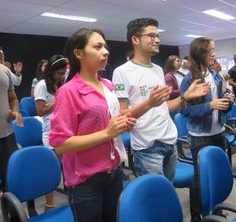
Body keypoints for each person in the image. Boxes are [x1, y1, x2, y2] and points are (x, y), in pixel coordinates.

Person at [49, 28, 136, 222]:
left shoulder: (107, 84)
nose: (105, 51)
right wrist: (107, 132)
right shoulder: (68, 91)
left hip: (114, 171)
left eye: (105, 46)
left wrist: (123, 125)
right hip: (86, 180)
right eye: (97, 47)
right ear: (78, 53)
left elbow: (107, 124)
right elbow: (60, 145)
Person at [112, 17, 210, 183]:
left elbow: (164, 107)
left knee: (168, 193)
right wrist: (149, 103)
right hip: (148, 148)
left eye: (158, 36)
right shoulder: (122, 72)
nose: (157, 40)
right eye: (151, 36)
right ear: (135, 39)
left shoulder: (157, 69)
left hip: (169, 141)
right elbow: (122, 116)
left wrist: (185, 97)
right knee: (155, 201)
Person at [180, 37, 234, 222]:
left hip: (218, 132)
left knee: (215, 176)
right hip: (200, 137)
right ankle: (198, 216)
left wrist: (228, 101)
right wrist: (210, 105)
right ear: (200, 53)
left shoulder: (216, 74)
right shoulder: (189, 80)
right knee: (200, 179)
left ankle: (215, 210)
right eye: (210, 50)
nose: (214, 54)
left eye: (214, 50)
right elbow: (185, 111)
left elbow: (221, 105)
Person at [0, 24, 23, 222]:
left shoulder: (4, 71)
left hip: (7, 137)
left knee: (13, 188)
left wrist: (15, 111)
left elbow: (12, 97)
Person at [34, 54, 68, 212]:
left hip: (64, 129)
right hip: (51, 131)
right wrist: (58, 101)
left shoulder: (60, 84)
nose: (62, 76)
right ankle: (49, 203)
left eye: (63, 73)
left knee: (67, 164)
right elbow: (40, 111)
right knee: (52, 169)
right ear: (51, 72)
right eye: (59, 73)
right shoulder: (41, 85)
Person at [164, 55, 182, 119]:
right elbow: (170, 92)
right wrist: (184, 90)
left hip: (181, 102)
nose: (180, 63)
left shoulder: (179, 73)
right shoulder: (168, 76)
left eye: (180, 61)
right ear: (171, 63)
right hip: (175, 105)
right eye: (177, 61)